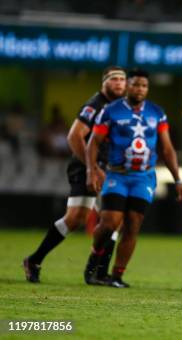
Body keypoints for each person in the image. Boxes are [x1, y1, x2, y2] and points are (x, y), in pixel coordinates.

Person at [84, 68, 182, 288]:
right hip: (117, 175)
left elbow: (167, 149)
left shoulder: (157, 112)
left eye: (144, 86)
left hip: (143, 178)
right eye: (136, 84)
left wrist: (177, 179)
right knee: (110, 222)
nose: (140, 89)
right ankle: (94, 257)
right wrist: (91, 170)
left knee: (132, 225)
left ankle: (117, 275)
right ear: (128, 86)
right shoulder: (110, 111)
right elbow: (93, 143)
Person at [23, 66, 126, 284]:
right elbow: (74, 137)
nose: (119, 84)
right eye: (114, 79)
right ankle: (35, 260)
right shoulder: (94, 106)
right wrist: (92, 167)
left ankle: (97, 272)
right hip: (86, 167)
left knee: (112, 218)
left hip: (105, 168)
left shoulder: (118, 107)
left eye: (122, 80)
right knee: (77, 219)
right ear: (104, 82)